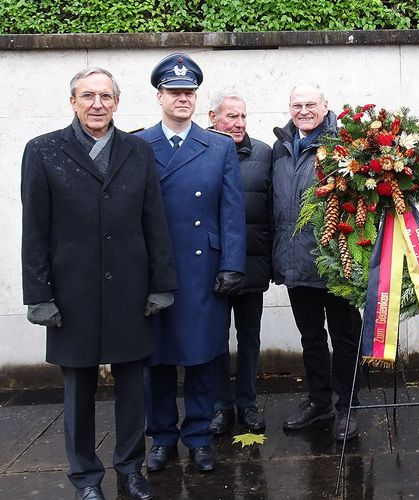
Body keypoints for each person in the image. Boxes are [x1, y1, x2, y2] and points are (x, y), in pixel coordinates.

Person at [21, 67, 177, 500]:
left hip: (130, 290)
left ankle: (130, 469)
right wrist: (39, 296)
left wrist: (161, 283)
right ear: (73, 101)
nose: (97, 105)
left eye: (106, 96)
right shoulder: (44, 151)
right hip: (72, 296)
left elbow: (154, 222)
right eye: (87, 96)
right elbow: (34, 229)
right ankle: (85, 479)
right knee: (79, 391)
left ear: (117, 103)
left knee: (132, 388)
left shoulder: (137, 151)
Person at [137, 53, 246, 473]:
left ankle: (199, 436)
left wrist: (232, 263)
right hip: (154, 270)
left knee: (202, 357)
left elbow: (231, 210)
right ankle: (161, 437)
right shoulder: (138, 144)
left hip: (203, 270)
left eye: (189, 92)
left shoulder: (218, 146)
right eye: (174, 92)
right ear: (159, 96)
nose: (182, 98)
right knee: (156, 360)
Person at [272, 82, 362, 442]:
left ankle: (347, 407)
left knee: (344, 338)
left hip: (335, 264)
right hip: (296, 263)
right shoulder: (279, 147)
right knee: (310, 337)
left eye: (311, 104)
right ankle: (320, 401)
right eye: (297, 104)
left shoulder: (345, 146)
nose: (304, 110)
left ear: (326, 105)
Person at [206, 90, 273, 435]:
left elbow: (272, 212)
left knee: (249, 337)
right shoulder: (201, 151)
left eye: (243, 116)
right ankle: (219, 406)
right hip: (212, 269)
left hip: (252, 265)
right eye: (231, 116)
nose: (238, 123)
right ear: (212, 117)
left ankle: (247, 403)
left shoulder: (263, 153)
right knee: (215, 339)